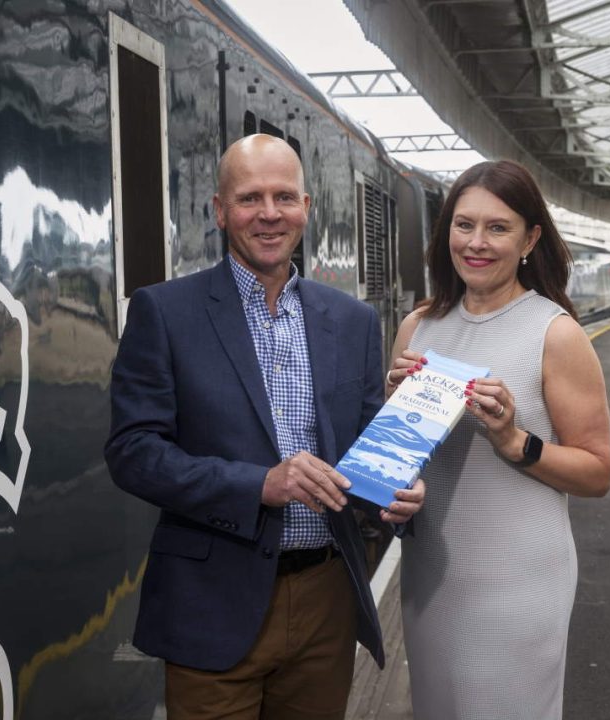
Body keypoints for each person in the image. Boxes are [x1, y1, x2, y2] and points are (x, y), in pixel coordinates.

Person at [105, 133, 425, 720]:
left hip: (326, 600)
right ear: (220, 211)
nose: (270, 214)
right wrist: (259, 485)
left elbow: (366, 440)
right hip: (214, 602)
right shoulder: (165, 313)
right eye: (251, 198)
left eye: (284, 197)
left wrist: (396, 490)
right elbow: (133, 452)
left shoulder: (350, 322)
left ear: (307, 206)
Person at [388, 159, 610, 719]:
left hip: (518, 580)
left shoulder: (555, 333)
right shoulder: (417, 327)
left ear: (530, 238)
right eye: (464, 225)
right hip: (431, 575)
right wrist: (390, 437)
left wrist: (516, 441)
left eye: (498, 227)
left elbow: (598, 471)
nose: (476, 243)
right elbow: (400, 463)